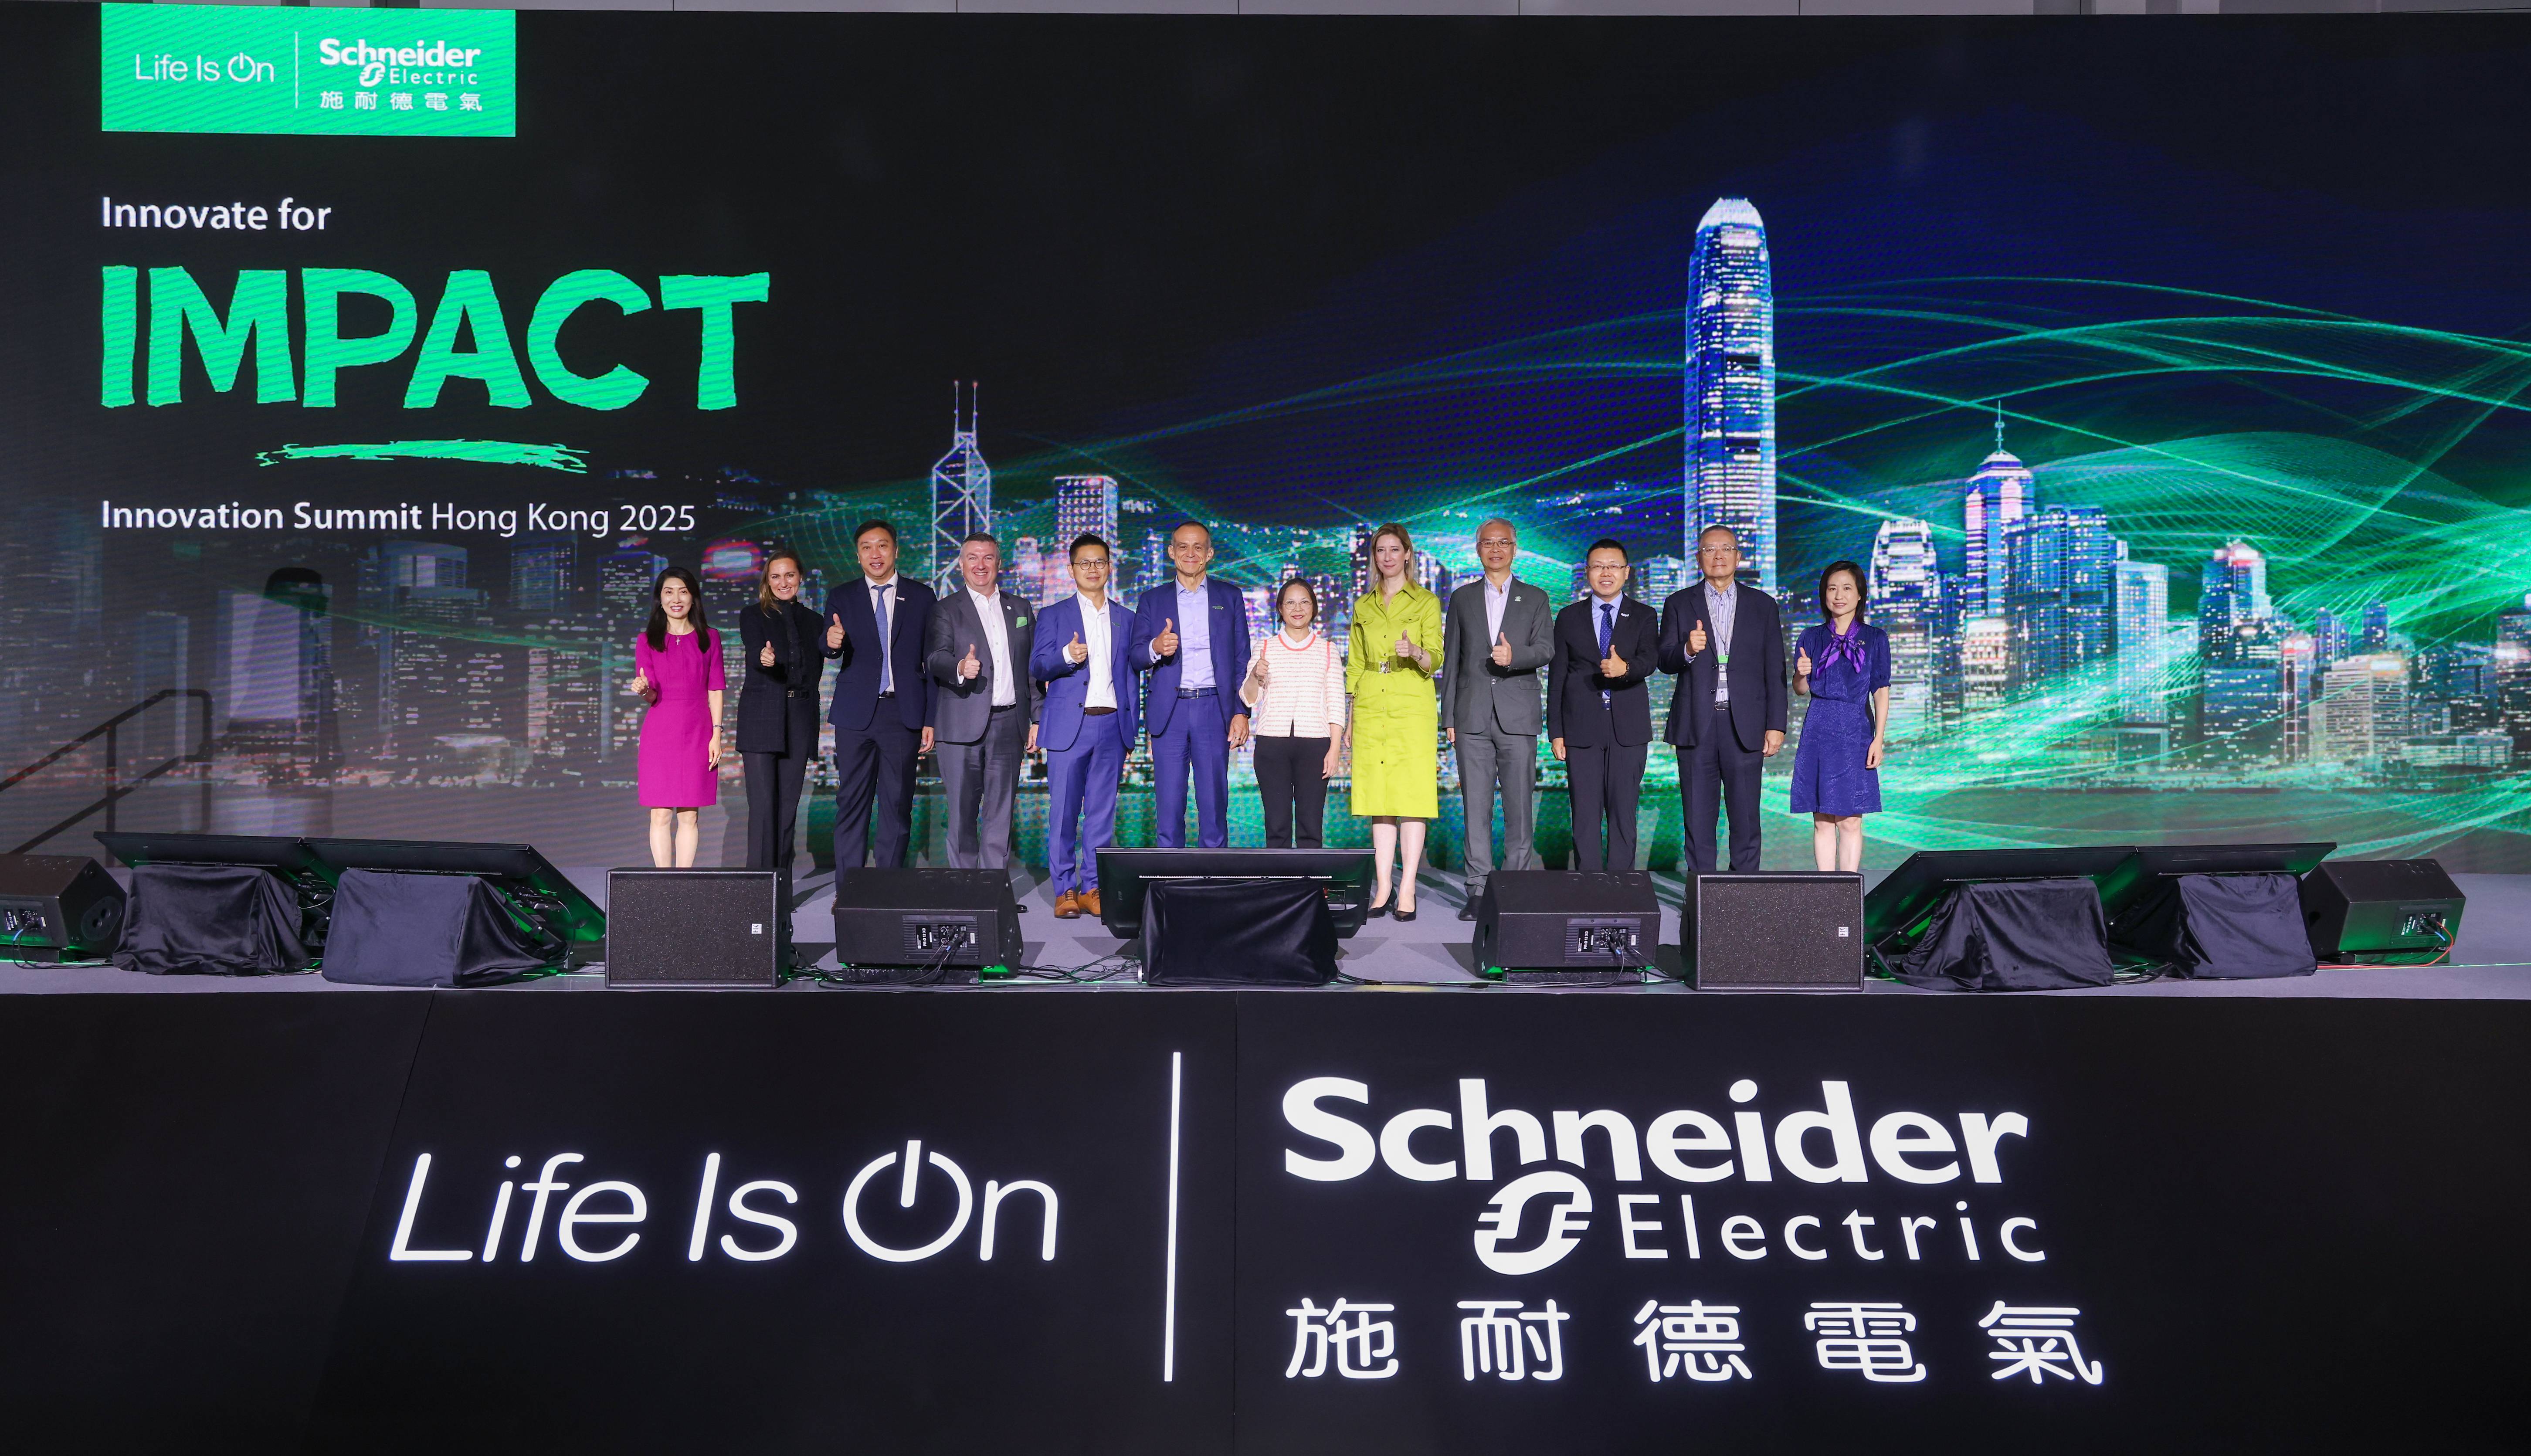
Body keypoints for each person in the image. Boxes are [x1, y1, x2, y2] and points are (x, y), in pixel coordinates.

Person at [1031, 533, 1150, 919]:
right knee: (1064, 812)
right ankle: (1065, 888)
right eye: (1085, 563)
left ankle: (1093, 887)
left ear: (1109, 567)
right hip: (1070, 725)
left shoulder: (1127, 617)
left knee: (1102, 813)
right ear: (1071, 569)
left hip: (1112, 724)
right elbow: (1037, 667)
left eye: (1100, 562)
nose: (1093, 569)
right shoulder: (1052, 614)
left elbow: (1133, 672)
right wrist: (1066, 655)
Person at [1658, 524, 1788, 873]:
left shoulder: (1763, 605)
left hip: (1744, 724)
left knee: (1746, 818)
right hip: (1696, 723)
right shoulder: (1678, 603)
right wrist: (1686, 649)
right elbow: (1664, 660)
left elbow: (1775, 669)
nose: (1718, 556)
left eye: (1725, 549)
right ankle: (1703, 896)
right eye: (1709, 549)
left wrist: (1776, 725)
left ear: (1738, 556)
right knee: (1698, 819)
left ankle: (1743, 896)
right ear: (1698, 556)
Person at [1441, 517, 1554, 919]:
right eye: (1488, 542)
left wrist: (1514, 657)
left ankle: (1517, 886)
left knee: (1520, 807)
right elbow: (1452, 658)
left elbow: (1545, 649)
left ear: (1514, 546)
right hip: (1471, 715)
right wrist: (1449, 716)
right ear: (1478, 548)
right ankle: (1478, 889)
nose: (1495, 549)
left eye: (1503, 542)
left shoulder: (1536, 597)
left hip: (1518, 717)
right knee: (1477, 807)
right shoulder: (1462, 597)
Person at [821, 520, 935, 872]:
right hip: (856, 715)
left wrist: (930, 720)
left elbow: (931, 661)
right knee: (852, 803)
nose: (876, 554)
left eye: (883, 546)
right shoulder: (842, 595)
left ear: (896, 551)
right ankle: (850, 888)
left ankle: (888, 887)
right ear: (858, 556)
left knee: (897, 804)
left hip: (903, 713)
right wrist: (831, 641)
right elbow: (828, 645)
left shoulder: (921, 596)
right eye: (867, 547)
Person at [926, 532, 1040, 877]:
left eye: (988, 557)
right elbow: (934, 658)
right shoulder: (945, 608)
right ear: (961, 565)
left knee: (1000, 811)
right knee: (962, 812)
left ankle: (993, 888)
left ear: (999, 564)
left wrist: (1036, 717)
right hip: (960, 725)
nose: (980, 565)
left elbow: (1031, 669)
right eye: (972, 558)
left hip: (1010, 724)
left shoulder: (1020, 607)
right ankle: (964, 888)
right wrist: (960, 667)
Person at [1346, 523, 1443, 920]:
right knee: (1379, 800)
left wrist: (1416, 651)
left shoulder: (1426, 601)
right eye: (1380, 550)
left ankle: (1408, 889)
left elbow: (1436, 658)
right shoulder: (1363, 605)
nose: (1387, 557)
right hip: (1371, 702)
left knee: (1412, 798)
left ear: (1407, 554)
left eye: (1394, 549)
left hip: (1411, 701)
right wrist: (1350, 717)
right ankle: (1383, 886)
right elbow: (1354, 664)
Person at [1135, 521, 1250, 849]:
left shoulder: (1230, 597)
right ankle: (1169, 887)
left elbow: (1243, 658)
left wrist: (1242, 711)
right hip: (1169, 713)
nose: (1190, 553)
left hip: (1215, 709)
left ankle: (1213, 886)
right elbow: (1134, 656)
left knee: (1214, 806)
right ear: (1171, 552)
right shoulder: (1152, 600)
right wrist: (1156, 647)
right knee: (1169, 807)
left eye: (1198, 547)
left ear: (1209, 554)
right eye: (1182, 546)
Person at [1548, 540, 1659, 872]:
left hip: (1629, 727)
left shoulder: (1644, 615)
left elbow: (1650, 660)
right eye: (1598, 566)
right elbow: (1558, 677)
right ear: (1587, 573)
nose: (1606, 572)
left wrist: (1625, 669)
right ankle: (1590, 885)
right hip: (1581, 726)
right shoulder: (1568, 617)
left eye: (1613, 566)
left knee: (1624, 812)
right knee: (1585, 813)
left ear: (1626, 572)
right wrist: (1556, 731)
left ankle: (1621, 887)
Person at [734, 549, 828, 894]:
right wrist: (764, 657)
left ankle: (781, 890)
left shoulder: (816, 621)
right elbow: (755, 651)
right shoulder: (752, 615)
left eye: (790, 575)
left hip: (799, 716)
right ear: (766, 580)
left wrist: (834, 645)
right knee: (763, 807)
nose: (783, 582)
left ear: (800, 577)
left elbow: (827, 655)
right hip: (762, 715)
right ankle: (758, 891)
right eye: (776, 576)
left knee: (788, 808)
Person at [1790, 560, 1891, 873]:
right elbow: (1800, 690)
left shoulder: (1876, 638)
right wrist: (1801, 674)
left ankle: (1847, 891)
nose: (1839, 595)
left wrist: (1879, 739)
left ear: (1860, 594)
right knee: (1822, 820)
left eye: (1847, 588)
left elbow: (1881, 690)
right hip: (1818, 729)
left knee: (1849, 821)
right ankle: (1826, 892)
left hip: (1856, 730)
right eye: (1832, 588)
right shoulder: (1811, 636)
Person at [1239, 577, 1347, 850]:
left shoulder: (1327, 649)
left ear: (1313, 608)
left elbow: (1336, 703)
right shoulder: (1265, 647)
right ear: (1280, 608)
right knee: (1276, 826)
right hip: (1272, 745)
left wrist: (1335, 749)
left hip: (1316, 744)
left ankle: (1309, 888)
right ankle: (1280, 887)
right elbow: (1249, 698)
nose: (1297, 609)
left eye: (1304, 602)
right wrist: (1254, 676)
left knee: (1311, 825)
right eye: (1290, 603)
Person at [628, 566, 725, 868]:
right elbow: (653, 694)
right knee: (660, 813)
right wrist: (644, 691)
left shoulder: (709, 638)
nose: (676, 598)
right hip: (661, 732)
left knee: (689, 814)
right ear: (660, 599)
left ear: (693, 598)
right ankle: (663, 880)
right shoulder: (647, 641)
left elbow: (716, 687)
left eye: (683, 591)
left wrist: (717, 734)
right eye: (669, 592)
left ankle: (684, 881)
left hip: (699, 731)